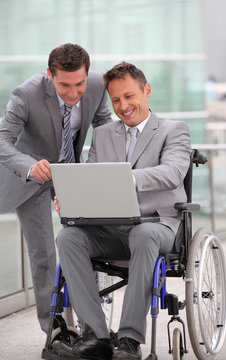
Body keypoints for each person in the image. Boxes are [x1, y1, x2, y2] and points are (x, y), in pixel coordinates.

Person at [52, 62, 191, 360]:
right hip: (112, 228)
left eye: (129, 96)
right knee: (69, 237)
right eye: (116, 100)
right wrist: (71, 197)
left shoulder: (173, 130)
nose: (123, 106)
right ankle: (96, 336)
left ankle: (129, 340)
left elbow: (173, 172)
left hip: (157, 226)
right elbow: (91, 178)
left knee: (143, 234)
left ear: (146, 90)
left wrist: (127, 178)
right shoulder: (103, 135)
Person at [0, 43, 112, 333]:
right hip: (32, 177)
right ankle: (55, 329)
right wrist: (29, 165)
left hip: (72, 173)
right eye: (65, 85)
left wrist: (95, 171)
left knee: (85, 247)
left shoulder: (98, 85)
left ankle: (93, 329)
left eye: (80, 84)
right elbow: (2, 140)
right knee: (44, 255)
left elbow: (104, 128)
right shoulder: (26, 94)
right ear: (50, 75)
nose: (74, 94)